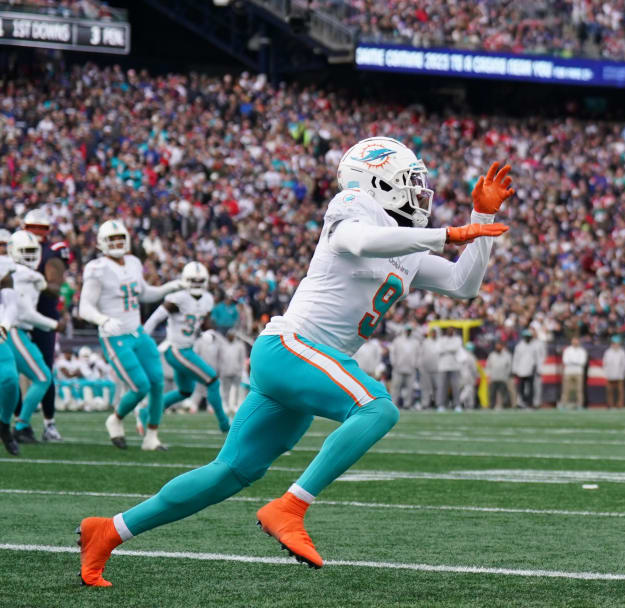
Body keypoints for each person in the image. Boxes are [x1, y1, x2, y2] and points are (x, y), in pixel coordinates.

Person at [76, 142, 514, 587]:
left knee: (228, 473)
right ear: (378, 182)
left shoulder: (409, 247)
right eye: (410, 182)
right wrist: (446, 234)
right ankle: (290, 507)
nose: (420, 192)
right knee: (377, 407)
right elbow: (359, 241)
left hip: (308, 363)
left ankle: (108, 531)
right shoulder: (353, 204)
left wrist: (481, 220)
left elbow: (464, 285)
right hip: (291, 347)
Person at [78, 220, 183, 451]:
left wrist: (168, 287)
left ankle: (151, 437)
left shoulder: (134, 262)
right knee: (140, 385)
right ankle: (115, 418)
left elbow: (143, 293)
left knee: (157, 382)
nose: (116, 243)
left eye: (120, 239)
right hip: (114, 336)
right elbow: (84, 307)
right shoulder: (97, 268)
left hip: (137, 332)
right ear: (101, 243)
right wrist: (102, 319)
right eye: (111, 239)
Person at [141, 262, 231, 436]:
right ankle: (224, 424)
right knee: (212, 380)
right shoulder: (178, 298)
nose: (197, 284)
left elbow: (205, 323)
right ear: (185, 280)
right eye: (193, 281)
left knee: (185, 391)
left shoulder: (207, 299)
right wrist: (143, 339)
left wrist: (209, 332)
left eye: (200, 281)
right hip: (176, 349)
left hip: (187, 349)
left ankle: (146, 413)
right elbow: (155, 318)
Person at [8, 231, 64, 444]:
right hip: (14, 330)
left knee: (9, 381)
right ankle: (20, 425)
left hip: (17, 331)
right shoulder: (23, 274)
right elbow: (24, 313)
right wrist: (54, 324)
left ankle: (14, 424)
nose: (30, 255)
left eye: (33, 251)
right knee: (42, 377)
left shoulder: (21, 273)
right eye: (25, 251)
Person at [23, 209, 71, 443]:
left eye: (41, 228)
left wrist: (36, 280)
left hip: (43, 315)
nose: (36, 233)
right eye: (33, 228)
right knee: (10, 372)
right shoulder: (13, 249)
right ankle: (16, 423)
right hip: (15, 317)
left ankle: (48, 423)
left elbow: (55, 285)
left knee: (44, 370)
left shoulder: (52, 252)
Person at [0, 236, 21, 454]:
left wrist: (4, 325)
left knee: (9, 379)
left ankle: (4, 424)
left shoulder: (4, 267)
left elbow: (11, 302)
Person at [388, 325, 420, 410]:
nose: (408, 332)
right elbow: (392, 352)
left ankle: (407, 404)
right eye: (407, 330)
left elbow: (418, 354)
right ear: (404, 331)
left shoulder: (415, 342)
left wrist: (416, 364)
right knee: (395, 387)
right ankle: (393, 404)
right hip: (398, 368)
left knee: (410, 388)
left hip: (411, 368)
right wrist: (394, 363)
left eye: (410, 330)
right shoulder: (397, 341)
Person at [218, 330, 249, 414]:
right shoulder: (222, 345)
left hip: (236, 371)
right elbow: (220, 358)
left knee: (236, 389)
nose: (230, 337)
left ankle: (235, 405)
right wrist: (220, 369)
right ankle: (225, 405)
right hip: (225, 371)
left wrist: (241, 370)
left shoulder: (239, 345)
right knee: (225, 390)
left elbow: (242, 358)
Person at [435, 328, 461, 411]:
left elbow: (456, 348)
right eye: (448, 330)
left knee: (455, 387)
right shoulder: (441, 339)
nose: (450, 331)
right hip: (443, 366)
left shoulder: (457, 339)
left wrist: (445, 348)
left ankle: (457, 405)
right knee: (442, 386)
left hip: (455, 366)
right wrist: (449, 349)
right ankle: (441, 405)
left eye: (451, 330)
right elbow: (438, 350)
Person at [511, 330, 538, 409]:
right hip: (521, 370)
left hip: (531, 370)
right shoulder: (519, 347)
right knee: (521, 388)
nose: (528, 338)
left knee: (531, 388)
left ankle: (530, 403)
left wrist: (536, 367)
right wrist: (514, 370)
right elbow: (516, 358)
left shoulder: (533, 346)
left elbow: (536, 358)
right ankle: (521, 402)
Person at [560, 336, 588, 410]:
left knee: (579, 390)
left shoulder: (582, 351)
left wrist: (572, 362)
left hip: (578, 372)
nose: (575, 342)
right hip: (568, 372)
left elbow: (582, 362)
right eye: (574, 341)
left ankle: (579, 405)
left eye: (576, 341)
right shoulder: (567, 350)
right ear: (571, 341)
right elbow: (565, 361)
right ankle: (564, 404)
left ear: (578, 342)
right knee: (566, 389)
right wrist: (576, 362)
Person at [601, 336, 625, 408]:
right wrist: (606, 372)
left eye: (617, 343)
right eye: (614, 343)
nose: (616, 345)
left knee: (620, 391)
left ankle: (620, 404)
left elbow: (624, 364)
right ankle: (610, 404)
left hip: (619, 375)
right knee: (609, 390)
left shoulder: (622, 352)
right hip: (610, 374)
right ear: (612, 344)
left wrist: (622, 373)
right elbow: (605, 363)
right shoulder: (608, 352)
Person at [485, 341, 513, 410]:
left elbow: (509, 366)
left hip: (503, 377)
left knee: (505, 393)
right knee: (492, 393)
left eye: (499, 345)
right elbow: (488, 366)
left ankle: (506, 405)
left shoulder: (507, 355)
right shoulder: (492, 355)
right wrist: (488, 376)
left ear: (502, 346)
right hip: (493, 377)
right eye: (497, 346)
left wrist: (507, 375)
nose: (498, 347)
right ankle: (491, 405)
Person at [418, 327, 440, 410]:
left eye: (435, 332)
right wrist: (420, 366)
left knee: (438, 387)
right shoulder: (426, 342)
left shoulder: (441, 342)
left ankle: (438, 403)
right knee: (425, 388)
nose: (434, 334)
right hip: (426, 369)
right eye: (432, 332)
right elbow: (420, 354)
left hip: (438, 369)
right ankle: (425, 403)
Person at [456, 342, 479, 410]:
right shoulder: (471, 356)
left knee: (467, 390)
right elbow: (474, 368)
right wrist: (476, 376)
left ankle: (468, 405)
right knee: (468, 390)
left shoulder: (461, 356)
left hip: (461, 375)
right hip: (468, 375)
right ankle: (460, 401)